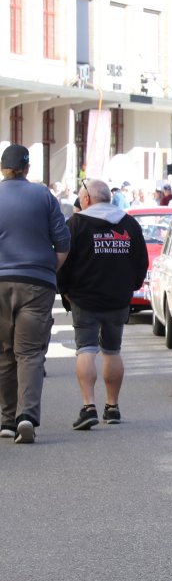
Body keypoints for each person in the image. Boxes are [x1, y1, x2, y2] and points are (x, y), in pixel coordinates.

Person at [57, 180, 148, 430]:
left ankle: (89, 407)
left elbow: (64, 260)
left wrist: (64, 289)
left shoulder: (76, 224)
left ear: (86, 200)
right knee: (112, 350)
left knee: (86, 350)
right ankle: (112, 407)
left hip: (83, 298)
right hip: (118, 299)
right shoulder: (129, 223)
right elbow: (141, 261)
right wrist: (131, 287)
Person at [0, 144, 72, 443]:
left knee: (4, 352)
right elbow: (63, 243)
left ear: (2, 168)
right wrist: (47, 271)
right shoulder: (44, 195)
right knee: (30, 353)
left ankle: (6, 420)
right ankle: (26, 417)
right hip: (37, 282)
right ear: (27, 168)